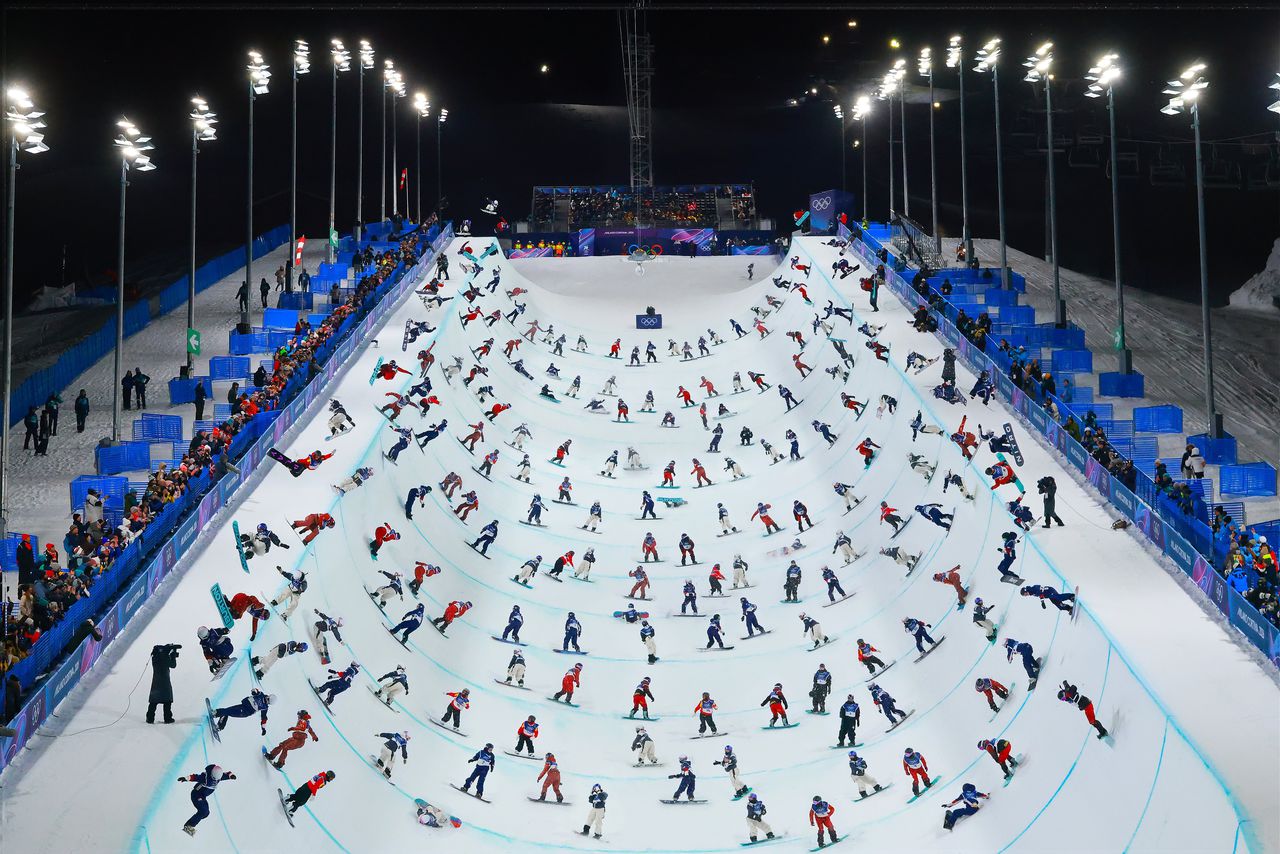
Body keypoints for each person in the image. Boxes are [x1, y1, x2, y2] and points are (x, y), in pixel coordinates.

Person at [177, 764, 236, 836]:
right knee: (203, 811)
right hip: (196, 795)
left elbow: (227, 774)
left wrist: (231, 776)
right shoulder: (205, 777)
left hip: (202, 797)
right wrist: (185, 778)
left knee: (206, 813)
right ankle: (188, 826)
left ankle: (192, 823)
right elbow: (195, 777)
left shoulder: (218, 777)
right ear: (212, 774)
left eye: (216, 779)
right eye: (214, 778)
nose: (215, 780)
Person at [147, 643, 180, 724]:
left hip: (156, 681)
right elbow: (173, 665)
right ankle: (168, 718)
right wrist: (172, 655)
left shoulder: (155, 658)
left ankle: (150, 718)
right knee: (167, 700)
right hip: (164, 681)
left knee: (154, 700)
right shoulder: (164, 657)